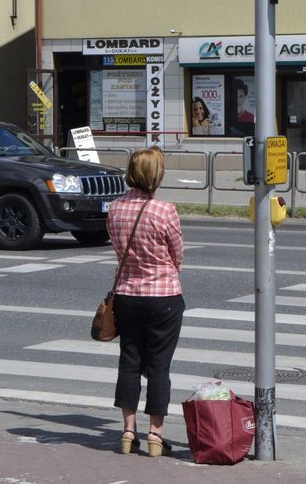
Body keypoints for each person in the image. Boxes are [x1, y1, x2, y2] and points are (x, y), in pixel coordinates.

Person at [107, 147, 185, 458]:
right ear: (157, 175)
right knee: (159, 366)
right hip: (163, 296)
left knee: (129, 362)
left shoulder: (115, 208)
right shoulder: (165, 210)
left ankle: (128, 431)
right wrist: (166, 270)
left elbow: (117, 248)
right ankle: (155, 433)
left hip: (127, 294)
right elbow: (178, 254)